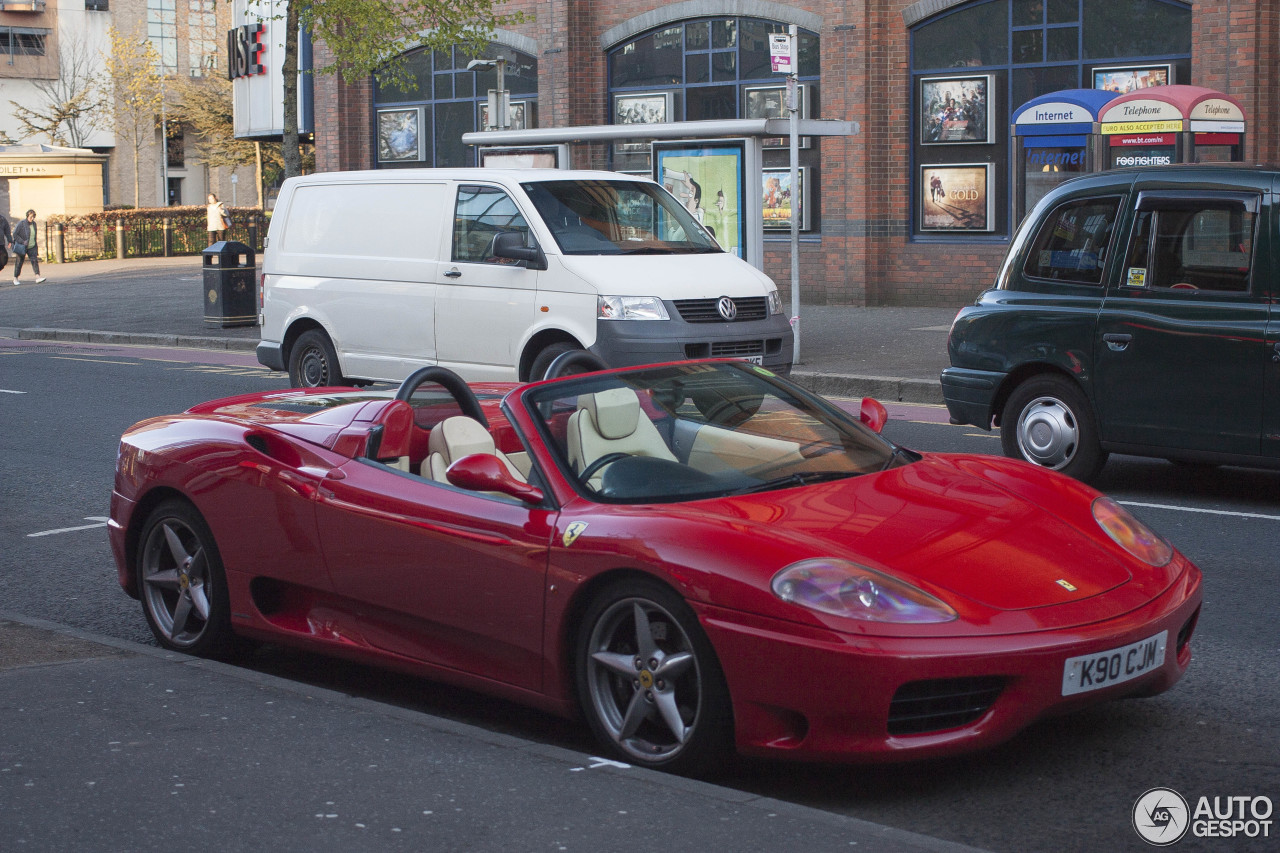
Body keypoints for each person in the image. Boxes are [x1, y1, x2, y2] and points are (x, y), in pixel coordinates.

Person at [11, 209, 44, 286]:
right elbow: (15, 234)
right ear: (27, 216)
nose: (32, 218)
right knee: (19, 262)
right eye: (31, 217)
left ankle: (37, 277)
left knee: (34, 260)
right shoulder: (21, 223)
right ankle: (15, 278)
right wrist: (22, 241)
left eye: (33, 217)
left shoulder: (34, 224)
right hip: (22, 246)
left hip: (32, 246)